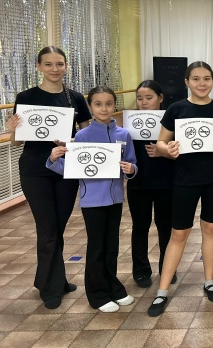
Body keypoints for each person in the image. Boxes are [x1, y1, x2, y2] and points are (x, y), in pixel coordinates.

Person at [147, 61, 213, 317]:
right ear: (186, 82)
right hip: (185, 179)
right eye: (196, 79)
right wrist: (168, 149)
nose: (202, 83)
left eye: (206, 78)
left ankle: (209, 281)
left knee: (210, 228)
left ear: (212, 81)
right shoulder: (176, 109)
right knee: (179, 233)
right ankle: (162, 291)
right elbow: (161, 143)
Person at [7, 46, 92, 310]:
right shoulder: (26, 97)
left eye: (59, 64)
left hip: (65, 169)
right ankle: (50, 288)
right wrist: (11, 130)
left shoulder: (75, 98)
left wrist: (72, 142)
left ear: (66, 66)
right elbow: (17, 141)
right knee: (47, 228)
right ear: (39, 66)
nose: (54, 69)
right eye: (48, 64)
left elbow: (85, 136)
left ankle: (55, 280)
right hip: (35, 171)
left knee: (57, 228)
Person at [47, 86, 137, 313]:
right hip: (92, 202)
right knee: (97, 247)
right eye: (98, 104)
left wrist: (131, 169)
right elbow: (72, 168)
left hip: (116, 200)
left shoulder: (123, 135)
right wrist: (54, 159)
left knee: (112, 247)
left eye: (108, 103)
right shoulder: (82, 136)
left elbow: (133, 163)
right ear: (90, 107)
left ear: (114, 105)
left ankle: (113, 287)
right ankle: (97, 295)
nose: (104, 108)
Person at [127, 80, 177, 288]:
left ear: (160, 98)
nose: (144, 102)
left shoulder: (171, 122)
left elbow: (181, 152)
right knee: (140, 227)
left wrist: (163, 151)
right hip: (138, 183)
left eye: (149, 98)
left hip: (166, 182)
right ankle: (141, 270)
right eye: (140, 98)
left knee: (165, 227)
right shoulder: (130, 123)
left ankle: (168, 268)